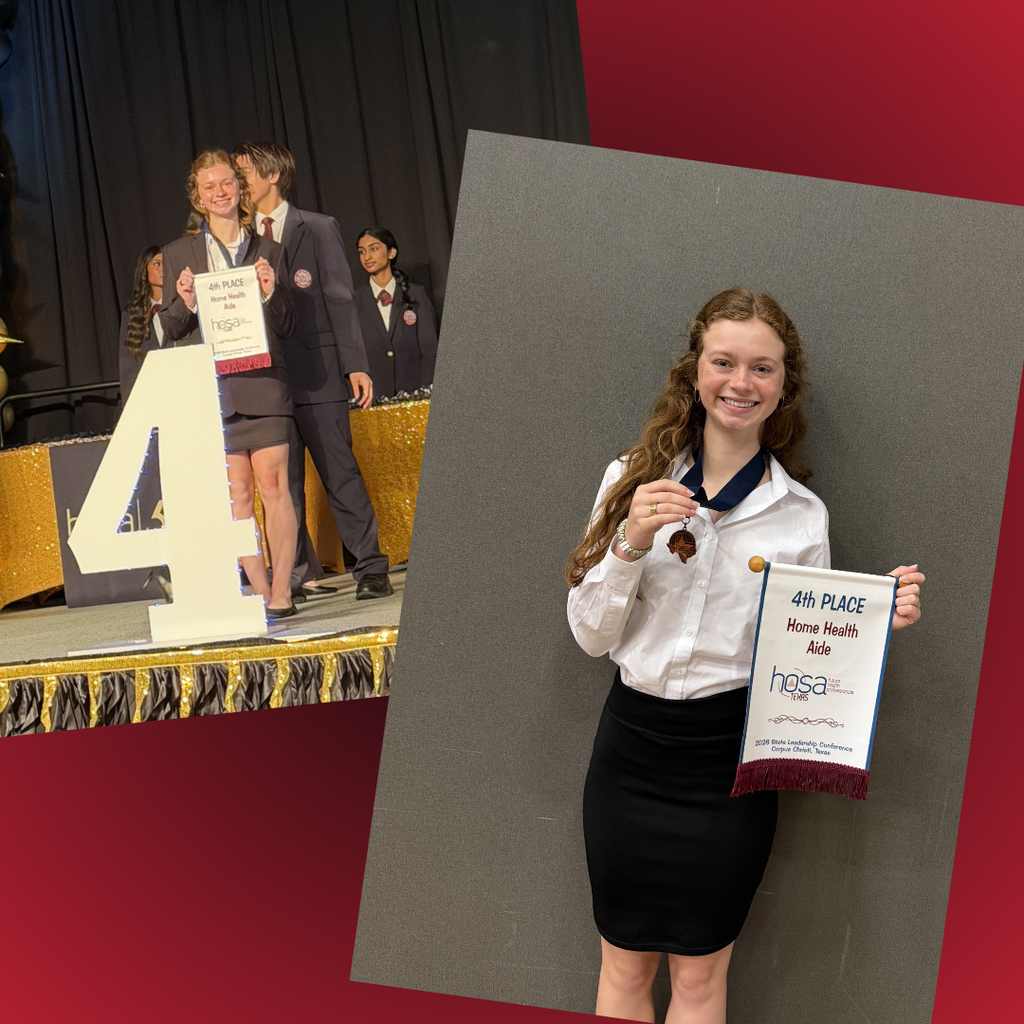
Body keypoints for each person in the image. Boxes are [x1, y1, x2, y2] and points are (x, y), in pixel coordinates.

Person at [565, 288, 924, 1024]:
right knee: (623, 965)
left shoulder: (801, 516)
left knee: (699, 979)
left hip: (730, 764)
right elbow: (591, 637)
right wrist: (630, 541)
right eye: (724, 362)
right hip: (630, 753)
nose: (740, 382)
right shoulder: (628, 479)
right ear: (694, 372)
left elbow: (808, 660)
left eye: (762, 368)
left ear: (784, 386)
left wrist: (872, 622)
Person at [232, 141, 393, 601]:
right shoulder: (242, 240)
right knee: (282, 484)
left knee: (339, 472)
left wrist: (355, 365)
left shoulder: (316, 228)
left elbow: (340, 299)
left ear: (272, 176)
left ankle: (370, 566)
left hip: (319, 372)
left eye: (244, 175)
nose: (240, 185)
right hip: (268, 380)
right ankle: (296, 573)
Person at [159, 149, 298, 619]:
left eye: (226, 184)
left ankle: (283, 589)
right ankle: (260, 592)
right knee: (237, 494)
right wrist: (184, 302)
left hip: (263, 381)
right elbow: (172, 329)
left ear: (240, 189)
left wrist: (270, 291)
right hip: (214, 388)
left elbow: (290, 324)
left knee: (275, 484)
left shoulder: (270, 250)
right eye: (208, 187)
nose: (219, 193)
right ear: (197, 198)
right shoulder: (178, 254)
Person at [354, 227, 437, 398]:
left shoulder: (416, 294)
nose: (367, 257)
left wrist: (425, 393)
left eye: (373, 249)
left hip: (414, 395)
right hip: (373, 398)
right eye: (362, 252)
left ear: (391, 253)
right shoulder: (355, 302)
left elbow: (430, 351)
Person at [118, 246, 164, 403]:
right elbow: (128, 367)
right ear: (145, 270)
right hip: (150, 397)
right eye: (156, 264)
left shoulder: (182, 308)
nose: (163, 269)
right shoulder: (132, 314)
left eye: (166, 264)